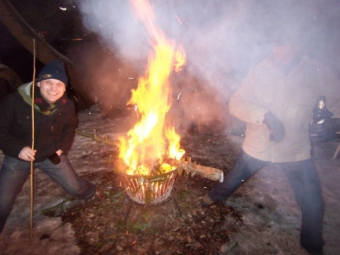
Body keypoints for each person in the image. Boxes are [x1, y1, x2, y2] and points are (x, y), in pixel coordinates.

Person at [201, 40, 340, 254]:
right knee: (233, 178)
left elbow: (337, 99)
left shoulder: (315, 70)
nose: (281, 51)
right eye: (277, 45)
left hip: (295, 151)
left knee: (313, 204)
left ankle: (312, 246)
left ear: (298, 43)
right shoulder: (260, 70)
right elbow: (236, 102)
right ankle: (213, 197)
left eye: (286, 44)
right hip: (259, 146)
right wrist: (264, 116)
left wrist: (334, 122)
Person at [0, 60, 97, 234]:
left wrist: (63, 147)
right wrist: (18, 149)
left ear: (64, 87)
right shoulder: (15, 101)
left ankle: (94, 193)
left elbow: (70, 127)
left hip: (50, 155)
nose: (54, 88)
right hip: (18, 158)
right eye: (49, 83)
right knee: (2, 204)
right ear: (38, 83)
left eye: (59, 84)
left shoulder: (67, 106)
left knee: (77, 188)